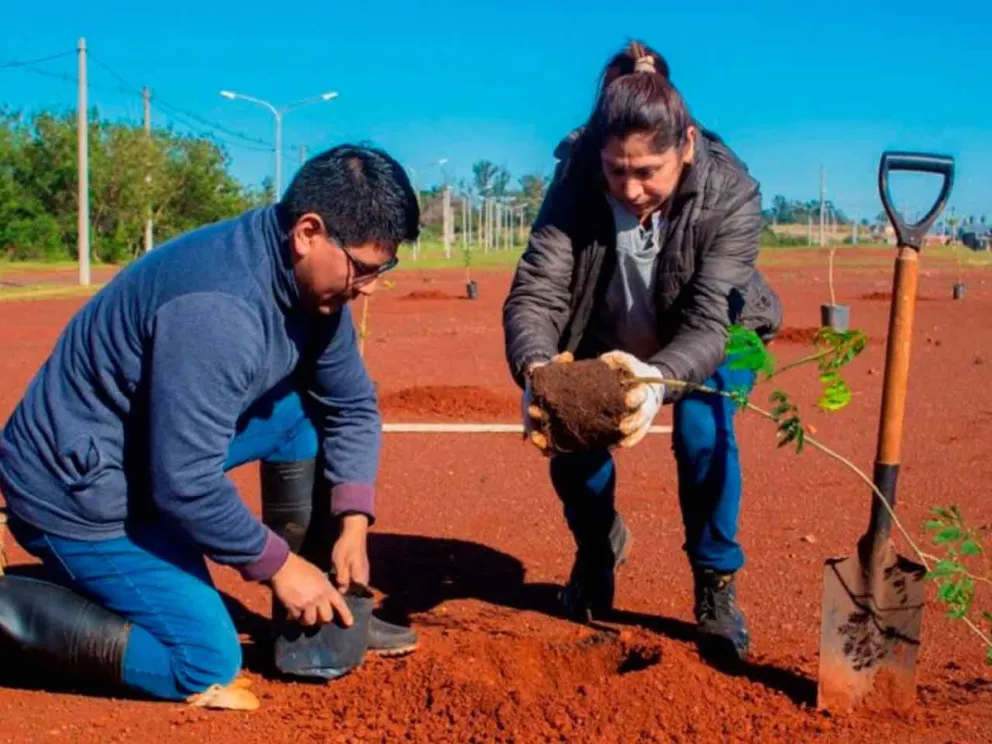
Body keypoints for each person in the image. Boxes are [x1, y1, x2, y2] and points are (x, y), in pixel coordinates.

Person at [0, 144, 421, 709]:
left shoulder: (312, 290)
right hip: (76, 491)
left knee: (301, 414)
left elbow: (350, 406)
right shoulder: (220, 310)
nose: (368, 286)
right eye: (364, 268)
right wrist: (278, 566)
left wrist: (352, 523)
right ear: (308, 232)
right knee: (202, 661)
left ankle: (320, 612)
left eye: (382, 270)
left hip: (142, 455)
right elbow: (184, 482)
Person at [503, 41, 782, 665]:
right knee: (569, 426)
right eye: (616, 170)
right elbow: (539, 287)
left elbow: (712, 319)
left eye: (647, 171)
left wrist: (658, 380)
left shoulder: (731, 192)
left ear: (684, 146)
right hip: (609, 330)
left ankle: (716, 588)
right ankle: (598, 546)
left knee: (705, 428)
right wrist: (537, 368)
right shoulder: (577, 178)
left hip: (714, 333)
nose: (629, 187)